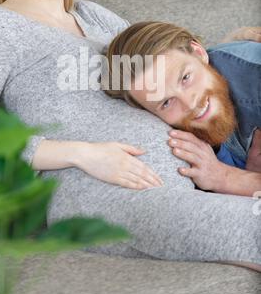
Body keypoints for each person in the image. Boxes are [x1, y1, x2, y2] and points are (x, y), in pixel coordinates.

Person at [0, 0, 260, 271]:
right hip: (115, 194)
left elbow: (171, 69)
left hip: (188, 181)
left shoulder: (97, 17)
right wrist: (83, 154)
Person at [104, 21, 261, 197]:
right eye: (166, 102)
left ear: (199, 53)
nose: (190, 104)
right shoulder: (190, 136)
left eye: (185, 78)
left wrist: (225, 177)